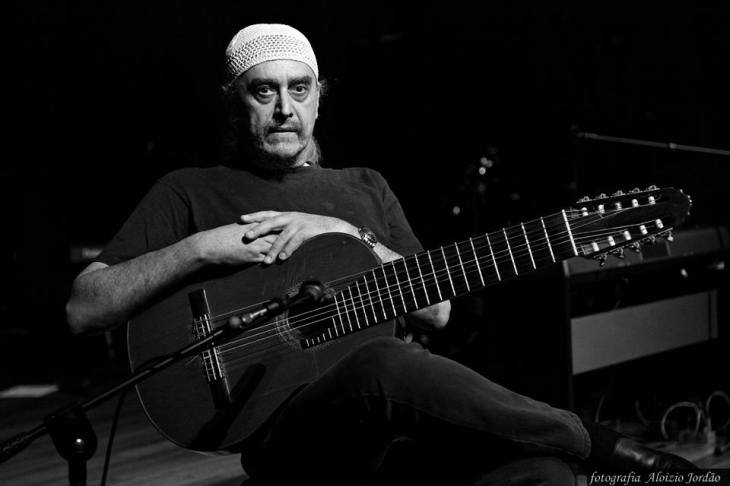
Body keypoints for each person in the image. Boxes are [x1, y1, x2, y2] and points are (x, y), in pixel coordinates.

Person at [66, 23, 696, 485]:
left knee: (543, 476)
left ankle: (580, 455)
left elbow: (436, 311)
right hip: (292, 439)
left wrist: (344, 233)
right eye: (264, 92)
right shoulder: (189, 190)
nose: (285, 108)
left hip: (399, 437)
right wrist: (202, 246)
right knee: (382, 361)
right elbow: (84, 307)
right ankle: (610, 449)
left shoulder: (365, 188)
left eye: (299, 89)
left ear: (319, 98)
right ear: (234, 101)